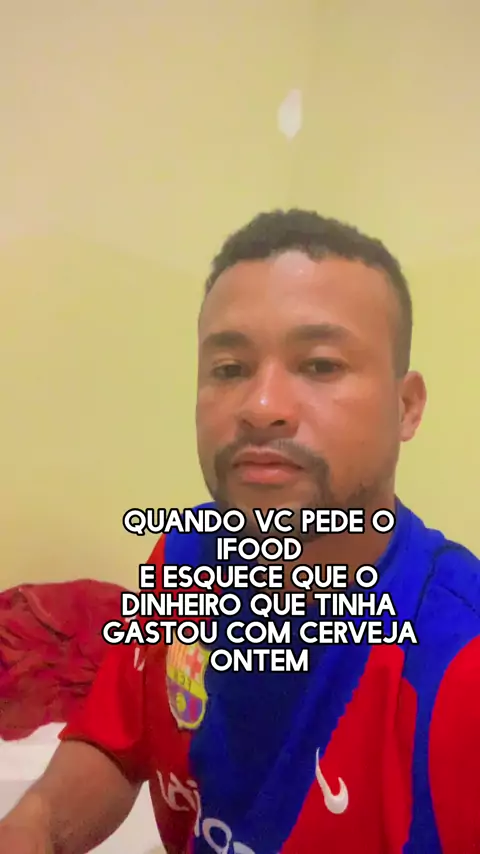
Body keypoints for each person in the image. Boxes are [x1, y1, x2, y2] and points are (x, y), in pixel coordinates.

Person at [1, 209, 479, 854]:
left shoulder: (458, 664)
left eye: (320, 365)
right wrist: (36, 824)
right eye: (229, 369)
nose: (260, 407)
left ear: (406, 406)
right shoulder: (184, 558)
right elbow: (116, 743)